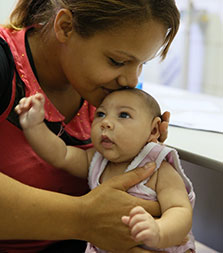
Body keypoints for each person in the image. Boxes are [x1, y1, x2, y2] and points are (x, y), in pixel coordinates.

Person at [0, 0, 180, 253]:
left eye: (141, 64)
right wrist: (83, 217)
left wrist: (135, 151)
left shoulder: (105, 92)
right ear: (66, 27)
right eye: (117, 60)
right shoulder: (6, 64)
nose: (131, 79)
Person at [15, 88, 195, 253]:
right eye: (100, 114)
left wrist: (158, 231)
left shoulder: (157, 167)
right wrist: (34, 126)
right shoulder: (96, 160)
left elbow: (180, 210)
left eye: (123, 115)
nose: (106, 123)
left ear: (154, 129)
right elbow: (60, 155)